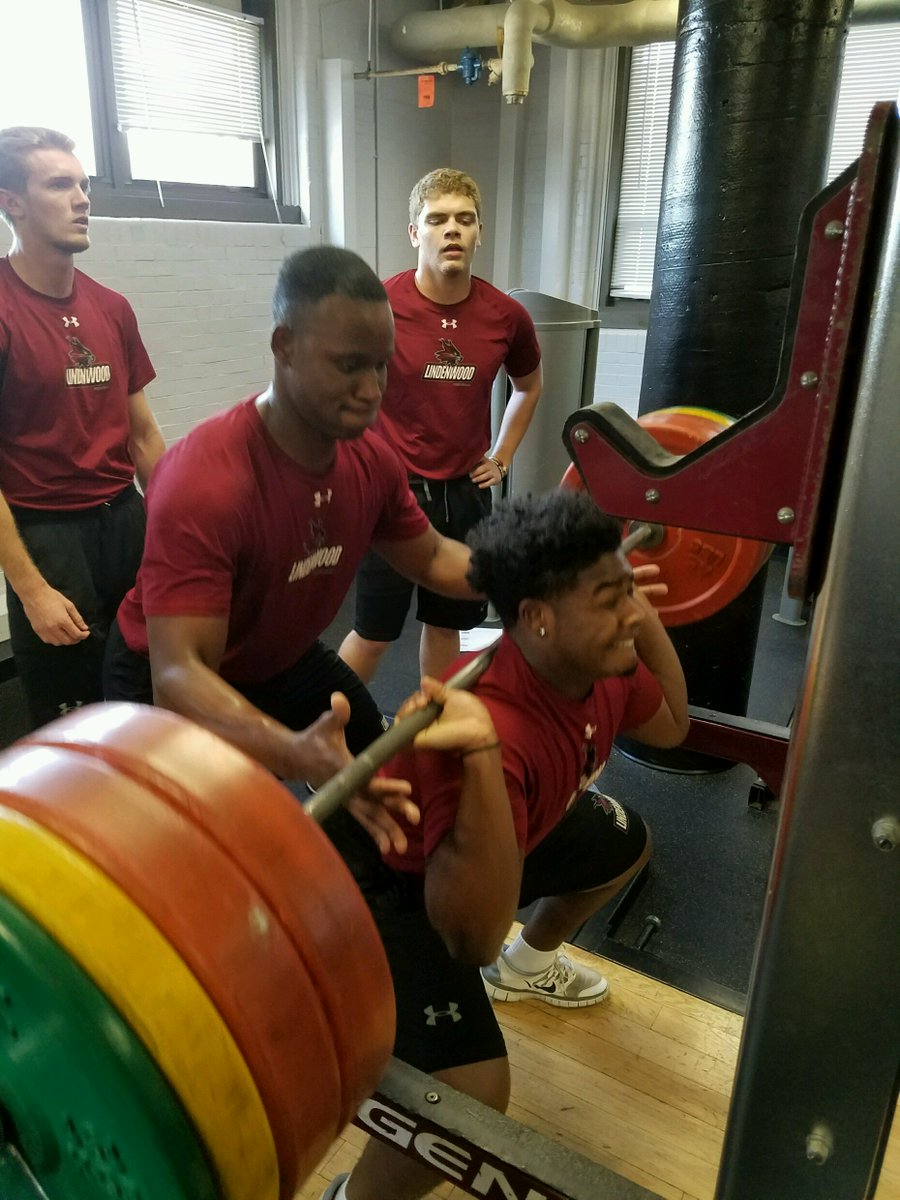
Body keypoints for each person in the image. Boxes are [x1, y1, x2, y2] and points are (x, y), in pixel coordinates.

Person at [322, 489, 689, 1200]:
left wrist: (639, 620)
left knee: (625, 840)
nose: (630, 614)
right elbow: (472, 939)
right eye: (609, 599)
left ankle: (533, 968)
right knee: (470, 1097)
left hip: (510, 831)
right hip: (387, 881)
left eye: (627, 593)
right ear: (538, 619)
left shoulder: (594, 663)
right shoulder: (492, 724)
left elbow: (673, 724)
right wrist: (483, 756)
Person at [103, 244, 480, 849]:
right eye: (349, 365)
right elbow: (178, 673)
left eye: (381, 366)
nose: (371, 389)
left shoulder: (369, 458)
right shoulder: (206, 480)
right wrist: (295, 753)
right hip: (171, 677)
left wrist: (532, 573)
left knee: (379, 767)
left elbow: (434, 557)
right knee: (191, 848)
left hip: (280, 657)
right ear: (284, 347)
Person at [339, 167, 543, 684]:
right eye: (436, 219)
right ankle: (326, 729)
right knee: (374, 632)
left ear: (479, 232)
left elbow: (528, 385)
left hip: (465, 496)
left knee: (445, 623)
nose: (452, 229)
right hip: (392, 495)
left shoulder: (506, 316)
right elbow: (337, 390)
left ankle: (435, 725)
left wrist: (502, 455)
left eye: (464, 219)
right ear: (415, 233)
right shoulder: (379, 307)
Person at [0, 126, 164, 729]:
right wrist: (31, 589)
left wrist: (181, 523)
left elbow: (143, 435)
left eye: (84, 185)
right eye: (59, 184)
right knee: (72, 713)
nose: (81, 198)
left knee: (145, 684)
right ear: (10, 201)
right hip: (47, 536)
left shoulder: (111, 307)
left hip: (125, 520)